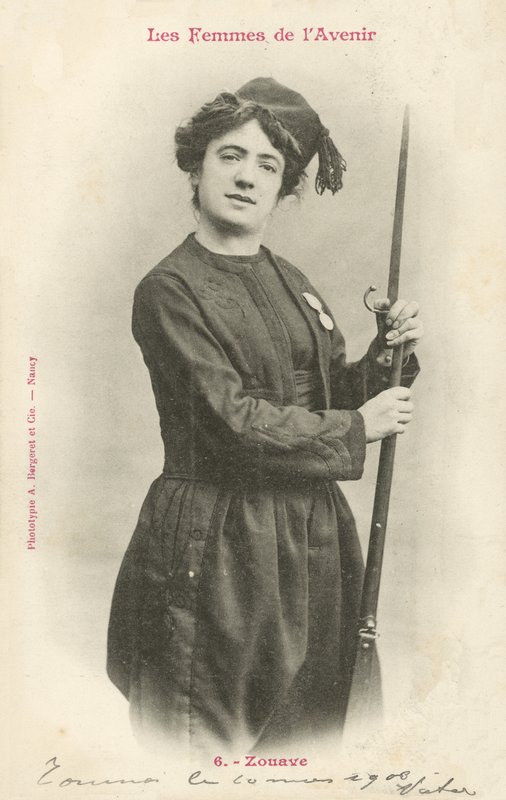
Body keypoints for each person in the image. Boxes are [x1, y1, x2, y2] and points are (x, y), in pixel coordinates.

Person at [107, 78, 422, 754]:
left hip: (312, 542)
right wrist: (358, 427)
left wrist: (385, 358)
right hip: (218, 539)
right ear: (196, 167)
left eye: (268, 165)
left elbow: (328, 397)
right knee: (205, 736)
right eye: (230, 156)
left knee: (307, 731)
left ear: (284, 189)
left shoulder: (293, 281)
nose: (247, 177)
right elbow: (231, 424)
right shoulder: (169, 291)